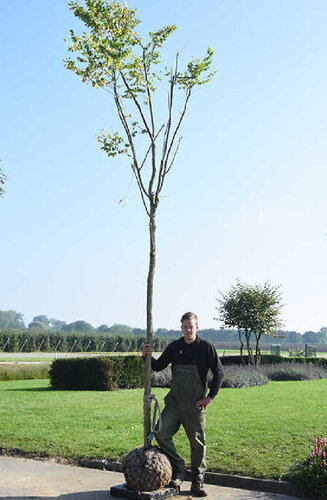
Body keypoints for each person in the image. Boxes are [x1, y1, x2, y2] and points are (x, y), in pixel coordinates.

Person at [142, 312, 224, 497]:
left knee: (197, 443)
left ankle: (198, 479)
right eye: (185, 327)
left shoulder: (206, 347)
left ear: (197, 327)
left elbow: (219, 373)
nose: (188, 330)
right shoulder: (174, 347)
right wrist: (146, 356)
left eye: (191, 326)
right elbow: (157, 366)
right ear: (181, 328)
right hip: (174, 403)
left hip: (195, 405)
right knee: (160, 433)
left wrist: (210, 397)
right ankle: (180, 467)